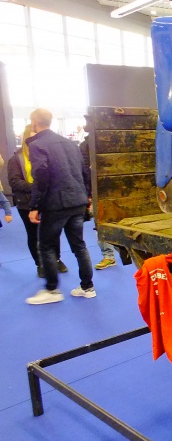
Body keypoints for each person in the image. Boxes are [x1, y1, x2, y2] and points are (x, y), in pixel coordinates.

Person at [24, 108, 96, 305]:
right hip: (77, 201)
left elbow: (41, 177)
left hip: (56, 204)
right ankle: (87, 287)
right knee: (79, 245)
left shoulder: (38, 145)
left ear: (34, 123)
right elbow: (84, 172)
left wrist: (34, 205)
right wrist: (87, 195)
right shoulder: (70, 144)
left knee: (46, 246)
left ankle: (52, 289)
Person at [7, 125, 69, 277]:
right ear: (28, 137)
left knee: (53, 233)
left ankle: (57, 259)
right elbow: (14, 182)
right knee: (33, 235)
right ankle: (39, 263)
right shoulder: (16, 159)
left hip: (48, 201)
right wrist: (36, 187)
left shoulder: (47, 155)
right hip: (26, 203)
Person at [78, 133, 116, 270]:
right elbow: (86, 172)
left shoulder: (107, 140)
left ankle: (110, 255)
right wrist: (88, 193)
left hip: (111, 189)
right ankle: (109, 256)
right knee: (100, 224)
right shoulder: (85, 146)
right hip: (98, 191)